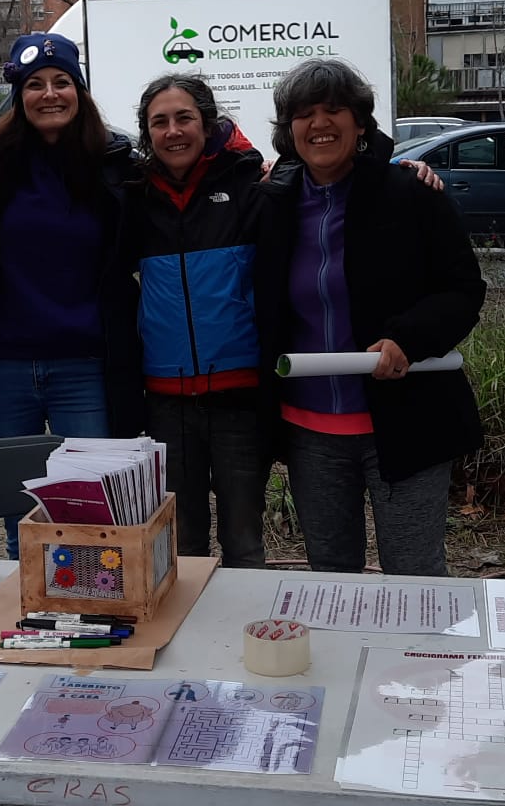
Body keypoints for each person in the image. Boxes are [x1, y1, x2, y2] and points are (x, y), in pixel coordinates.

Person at [254, 58, 486, 577]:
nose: (320, 123)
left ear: (360, 123)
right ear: (287, 129)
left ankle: (423, 661)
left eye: (335, 109)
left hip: (407, 418)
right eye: (305, 113)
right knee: (333, 574)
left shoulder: (410, 195)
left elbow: (464, 289)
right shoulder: (270, 204)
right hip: (311, 432)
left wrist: (407, 339)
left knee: (414, 571)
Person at [0, 34, 145, 558]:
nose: (50, 93)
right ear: (18, 95)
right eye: (34, 84)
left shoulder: (113, 165)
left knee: (96, 509)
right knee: (23, 519)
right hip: (2, 369)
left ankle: (96, 610)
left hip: (85, 367)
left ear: (80, 90)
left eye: (62, 82)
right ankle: (34, 619)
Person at [128, 74, 271, 569]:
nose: (173, 131)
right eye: (159, 122)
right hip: (167, 399)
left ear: (206, 123)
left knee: (244, 539)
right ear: (147, 135)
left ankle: (247, 641)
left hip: (238, 393)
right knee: (182, 544)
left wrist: (408, 166)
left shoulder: (249, 181)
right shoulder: (135, 195)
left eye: (184, 118)